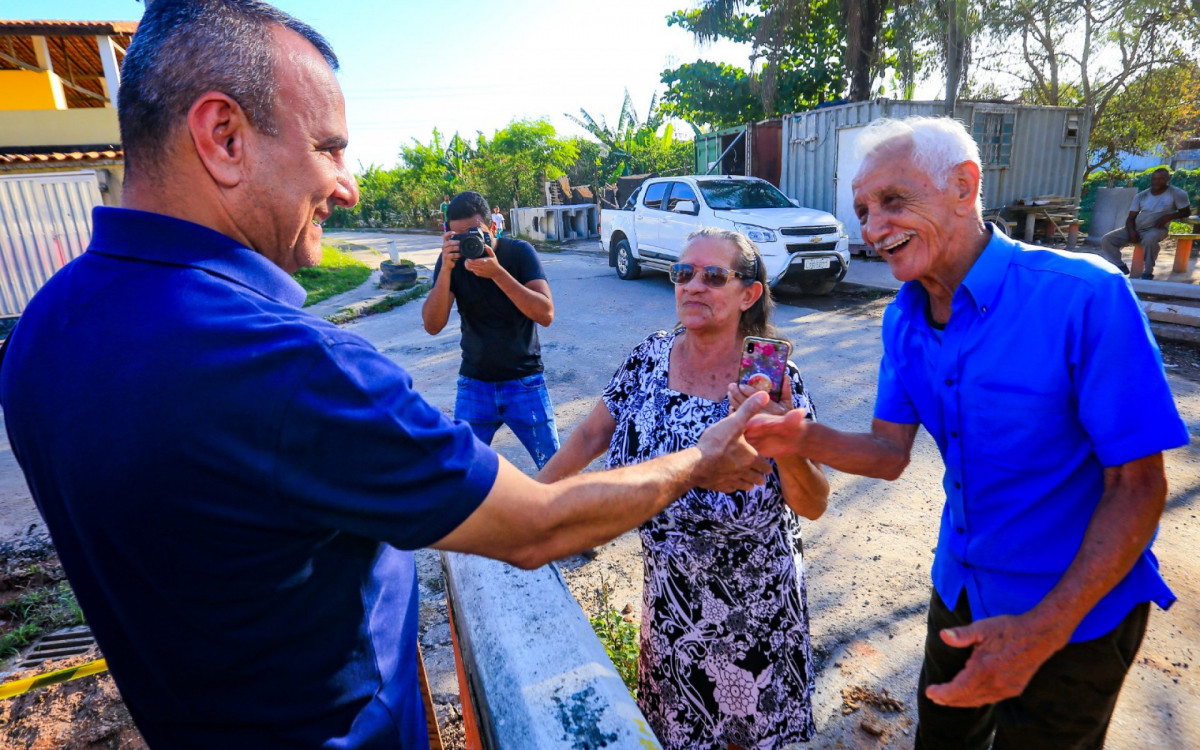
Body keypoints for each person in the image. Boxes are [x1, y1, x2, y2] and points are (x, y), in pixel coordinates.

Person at [0, 2, 775, 748]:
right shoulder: (294, 367)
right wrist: (700, 461)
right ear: (224, 137)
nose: (349, 185)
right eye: (329, 148)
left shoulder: (41, 331)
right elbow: (538, 526)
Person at [743, 116, 1188, 749]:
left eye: (893, 201)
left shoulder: (1083, 296)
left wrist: (1039, 632)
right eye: (864, 210)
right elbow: (889, 452)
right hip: (961, 586)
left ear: (963, 184)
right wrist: (799, 438)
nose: (872, 228)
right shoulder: (903, 320)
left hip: (1076, 612)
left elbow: (1139, 486)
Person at [539, 228, 829, 750]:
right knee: (677, 735)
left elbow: (813, 504)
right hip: (671, 603)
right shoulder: (649, 358)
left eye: (714, 276)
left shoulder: (775, 381)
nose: (693, 285)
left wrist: (787, 443)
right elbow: (590, 435)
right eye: (683, 273)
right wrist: (530, 499)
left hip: (754, 609)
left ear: (749, 294)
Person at [422, 191, 560, 468]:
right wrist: (447, 269)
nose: (467, 242)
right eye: (459, 236)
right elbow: (432, 325)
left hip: (525, 382)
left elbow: (545, 314)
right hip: (474, 384)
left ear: (492, 227)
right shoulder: (451, 262)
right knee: (460, 471)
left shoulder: (518, 253)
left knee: (555, 470)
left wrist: (497, 273)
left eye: (474, 233)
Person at [1098, 166, 1190, 279]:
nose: (1157, 181)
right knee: (1107, 239)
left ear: (1168, 179)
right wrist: (1132, 231)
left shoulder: (1177, 193)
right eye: (1154, 179)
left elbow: (1186, 212)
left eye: (1161, 179)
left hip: (1157, 229)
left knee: (1150, 239)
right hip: (1136, 228)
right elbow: (1131, 218)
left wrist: (1168, 217)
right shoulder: (1142, 195)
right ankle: (1120, 266)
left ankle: (1148, 272)